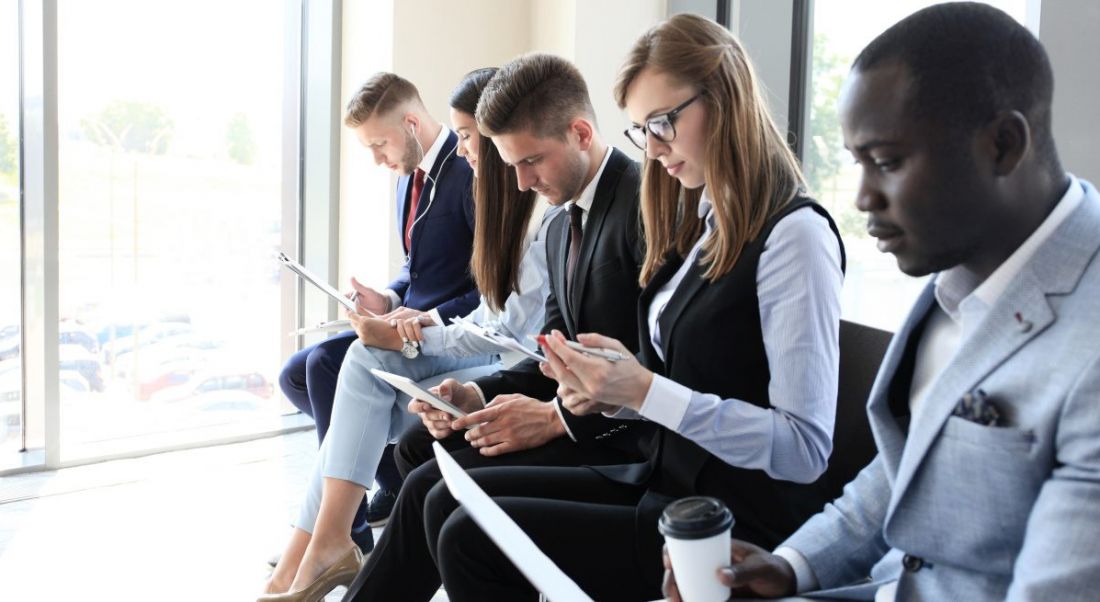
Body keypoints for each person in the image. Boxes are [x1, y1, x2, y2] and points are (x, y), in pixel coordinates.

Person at [660, 4, 1100, 601]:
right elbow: (908, 470)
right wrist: (792, 568)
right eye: (857, 162)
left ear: (1002, 145)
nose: (864, 197)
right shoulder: (958, 275)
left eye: (887, 163)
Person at [425, 14, 846, 601]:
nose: (652, 147)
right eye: (642, 130)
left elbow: (803, 450)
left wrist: (641, 390)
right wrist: (612, 391)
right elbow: (673, 386)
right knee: (458, 513)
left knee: (469, 536)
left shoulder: (795, 236)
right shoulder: (704, 223)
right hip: (667, 483)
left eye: (662, 123)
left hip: (726, 523)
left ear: (726, 103)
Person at [342, 53, 656, 601]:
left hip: (626, 443)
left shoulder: (644, 210)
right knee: (421, 463)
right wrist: (475, 393)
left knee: (435, 498)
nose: (520, 181)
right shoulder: (562, 223)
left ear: (582, 133)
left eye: (531, 160)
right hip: (586, 419)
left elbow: (654, 371)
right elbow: (551, 354)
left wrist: (555, 419)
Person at [259, 68, 553, 600]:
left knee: (350, 371)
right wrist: (392, 303)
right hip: (442, 328)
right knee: (327, 375)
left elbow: (493, 312)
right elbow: (422, 270)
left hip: (476, 342)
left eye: (469, 137)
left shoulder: (495, 192)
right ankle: (323, 542)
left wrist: (419, 330)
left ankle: (325, 544)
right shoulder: (419, 180)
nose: (465, 149)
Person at [276, 72, 480, 544]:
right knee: (295, 373)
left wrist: (424, 317)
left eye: (379, 144)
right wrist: (385, 298)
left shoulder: (469, 170)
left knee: (328, 363)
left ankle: (347, 528)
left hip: (448, 330)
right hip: (402, 322)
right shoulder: (405, 181)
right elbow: (416, 266)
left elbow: (487, 287)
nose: (376, 159)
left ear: (411, 123)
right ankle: (390, 478)